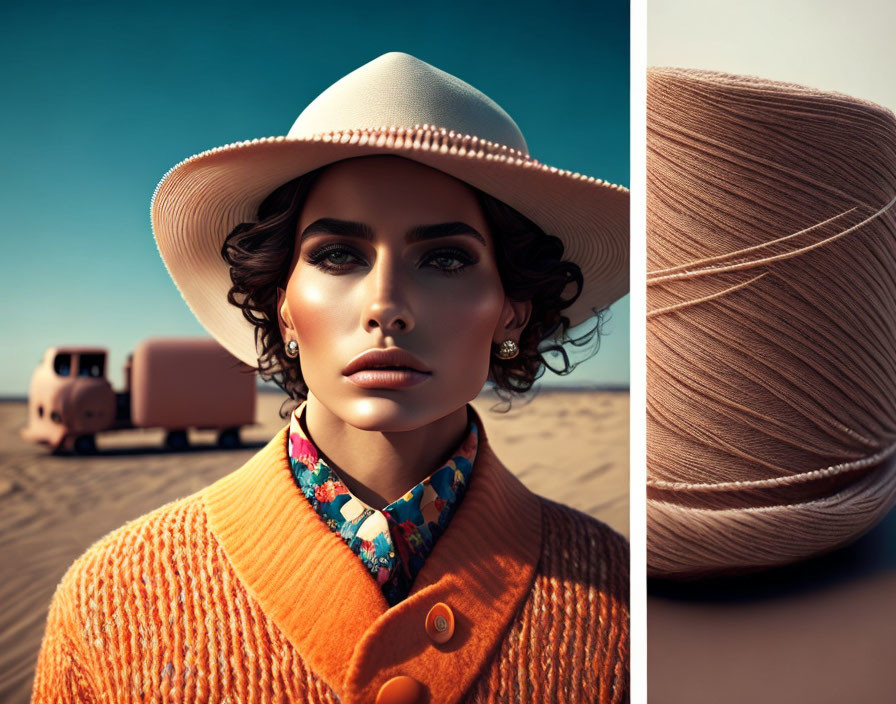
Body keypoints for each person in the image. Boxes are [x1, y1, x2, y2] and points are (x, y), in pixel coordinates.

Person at [31, 52, 629, 704]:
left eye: (447, 258)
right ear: (283, 304)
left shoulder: (622, 599)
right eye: (338, 255)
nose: (385, 305)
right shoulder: (113, 597)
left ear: (511, 307)